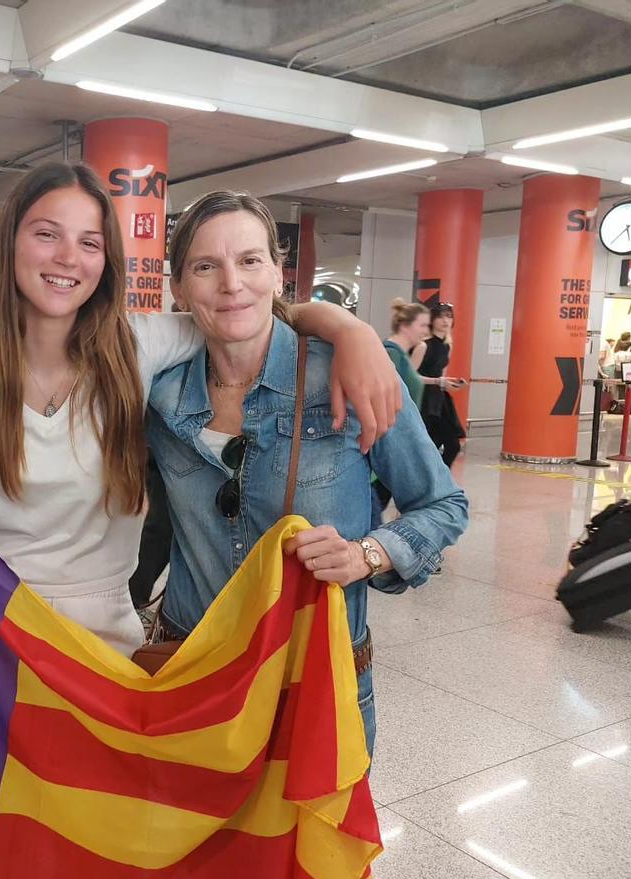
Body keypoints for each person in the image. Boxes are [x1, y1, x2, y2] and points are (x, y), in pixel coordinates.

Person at [0, 161, 403, 655]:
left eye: (89, 242)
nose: (66, 257)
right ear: (10, 241)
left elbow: (241, 309)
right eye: (46, 234)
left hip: (109, 637)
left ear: (106, 262)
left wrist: (349, 329)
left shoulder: (136, 345)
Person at [144, 191, 469, 754]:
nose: (231, 283)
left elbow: (443, 504)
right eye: (205, 266)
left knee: (308, 838)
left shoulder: (343, 376)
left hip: (314, 674)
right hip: (192, 667)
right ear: (179, 287)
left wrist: (368, 554)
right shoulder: (160, 390)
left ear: (276, 272)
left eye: (249, 260)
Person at [373, 299, 431, 510]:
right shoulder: (391, 354)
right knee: (376, 499)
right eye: (422, 325)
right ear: (405, 326)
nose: (426, 330)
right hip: (389, 439)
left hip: (398, 437)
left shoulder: (402, 355)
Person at [413, 302, 466, 467]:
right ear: (432, 319)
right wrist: (437, 381)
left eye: (449, 316)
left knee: (453, 444)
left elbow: (440, 375)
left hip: (439, 399)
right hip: (422, 399)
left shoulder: (446, 346)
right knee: (423, 446)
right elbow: (410, 376)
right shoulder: (423, 345)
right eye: (441, 316)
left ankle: (440, 483)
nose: (446, 321)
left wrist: (450, 384)